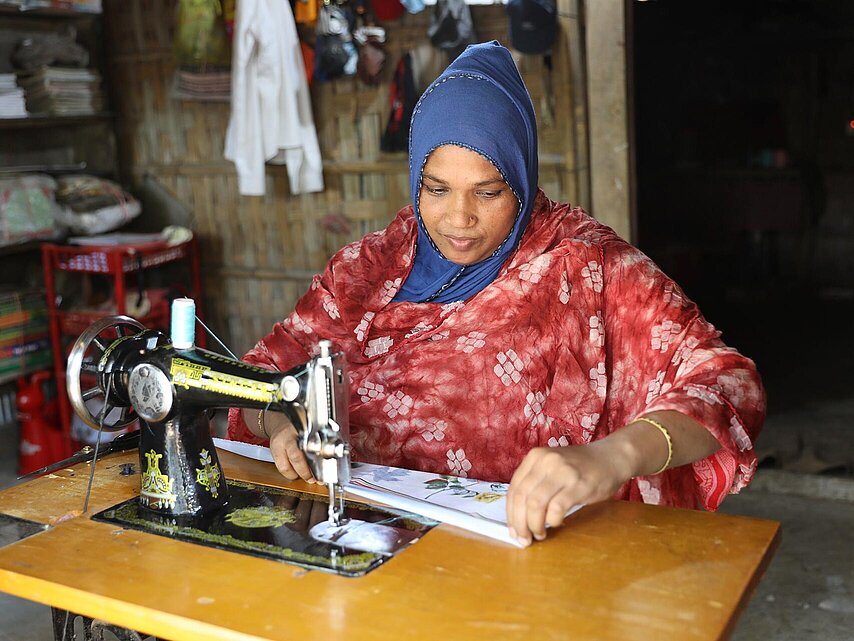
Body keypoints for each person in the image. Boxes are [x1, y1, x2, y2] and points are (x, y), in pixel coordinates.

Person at [228, 41, 765, 547]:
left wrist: (611, 457)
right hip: (365, 547)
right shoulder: (364, 271)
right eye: (436, 190)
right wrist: (278, 419)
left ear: (522, 178)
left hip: (524, 556)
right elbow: (257, 378)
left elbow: (725, 383)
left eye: (488, 192)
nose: (459, 219)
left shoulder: (587, 267)